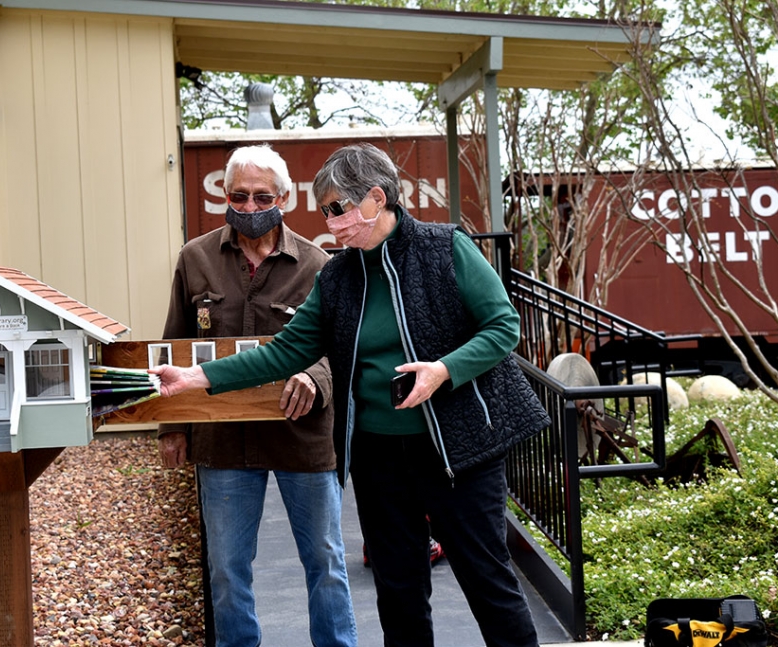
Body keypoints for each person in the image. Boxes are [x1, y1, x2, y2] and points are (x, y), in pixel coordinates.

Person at [151, 143, 550, 647]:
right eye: (324, 211)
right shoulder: (338, 276)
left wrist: (444, 371)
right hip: (380, 457)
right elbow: (287, 350)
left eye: (338, 209)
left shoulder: (444, 247)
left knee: (486, 582)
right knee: (398, 591)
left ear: (376, 200)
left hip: (456, 452)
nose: (331, 222)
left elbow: (502, 326)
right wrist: (197, 379)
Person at [156, 144, 357, 647]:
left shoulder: (318, 265)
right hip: (223, 440)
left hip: (304, 437)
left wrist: (317, 378)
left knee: (326, 562)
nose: (249, 207)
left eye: (261, 196)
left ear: (285, 197)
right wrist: (172, 427)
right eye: (239, 196)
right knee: (226, 569)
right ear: (225, 195)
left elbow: (343, 348)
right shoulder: (195, 259)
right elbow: (174, 348)